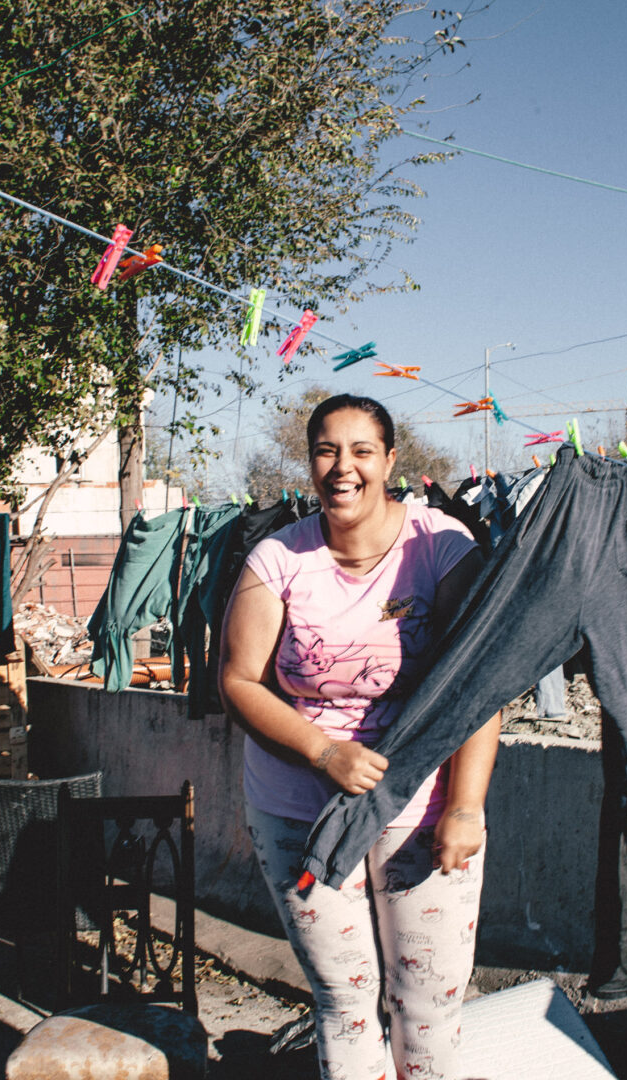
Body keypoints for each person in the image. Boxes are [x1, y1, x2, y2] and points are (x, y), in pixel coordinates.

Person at [220, 394, 499, 1080]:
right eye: (326, 451)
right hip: (300, 811)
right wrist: (322, 750)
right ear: (310, 461)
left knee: (428, 1002)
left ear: (391, 461)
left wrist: (466, 806)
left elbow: (480, 682)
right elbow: (239, 682)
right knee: (345, 1002)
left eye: (361, 451)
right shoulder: (277, 559)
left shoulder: (441, 547)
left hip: (422, 805)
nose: (343, 468)